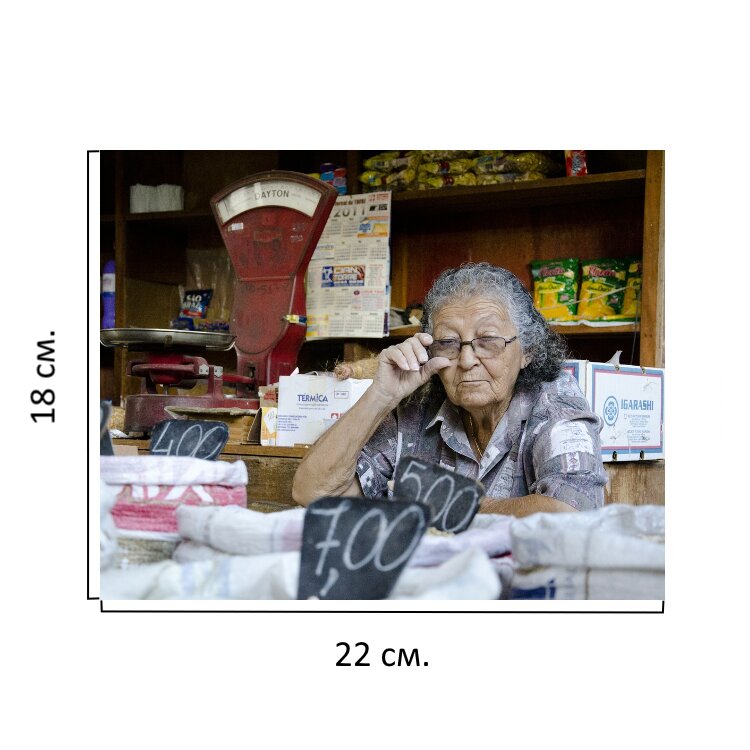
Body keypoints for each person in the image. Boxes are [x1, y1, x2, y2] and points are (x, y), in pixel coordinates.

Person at [292, 262, 608, 516]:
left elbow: (572, 513)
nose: (467, 360)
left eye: (488, 341)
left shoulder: (556, 403)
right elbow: (313, 492)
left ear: (528, 350)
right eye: (448, 343)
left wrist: (446, 506)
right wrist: (381, 396)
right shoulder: (417, 408)